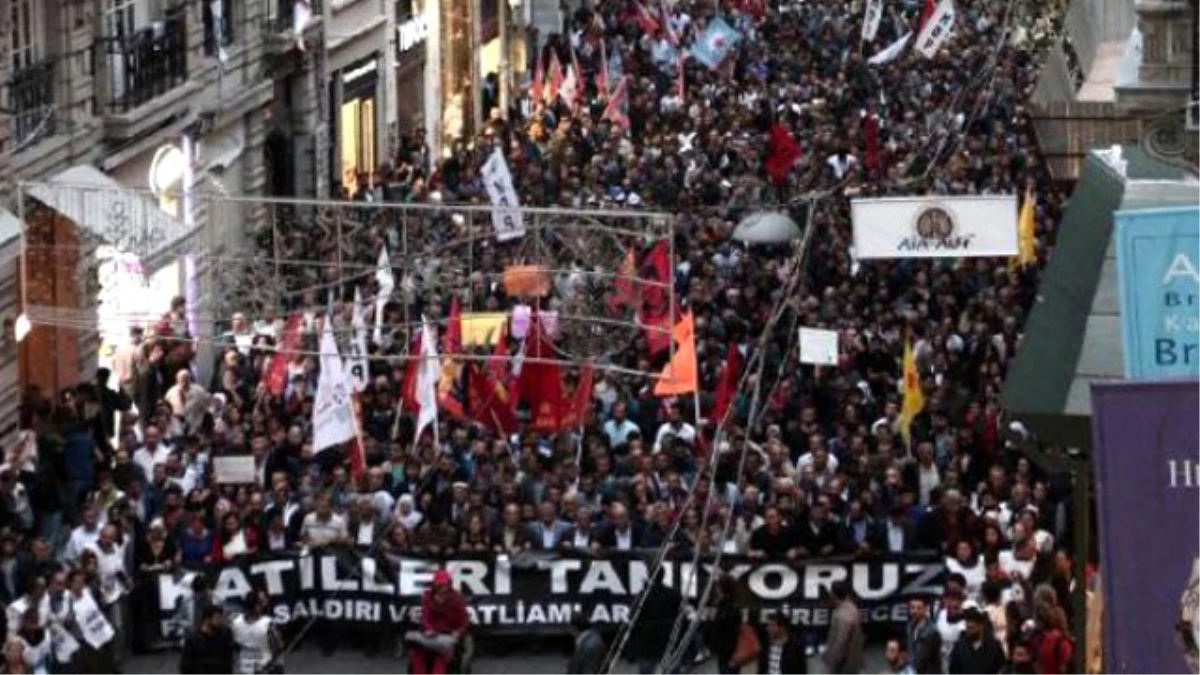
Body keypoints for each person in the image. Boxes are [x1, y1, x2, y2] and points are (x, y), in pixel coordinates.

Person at [406, 570, 467, 675]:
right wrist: (428, 629)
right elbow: (425, 617)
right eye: (439, 585)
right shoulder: (428, 596)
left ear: (449, 584)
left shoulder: (457, 598)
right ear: (434, 585)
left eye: (444, 585)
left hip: (447, 634)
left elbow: (463, 621)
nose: (442, 588)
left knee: (441, 658)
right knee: (418, 654)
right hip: (430, 633)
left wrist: (458, 632)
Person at [230, 590, 278, 675]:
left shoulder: (235, 622)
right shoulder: (268, 624)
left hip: (245, 667)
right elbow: (276, 646)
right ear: (257, 606)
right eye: (260, 603)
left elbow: (234, 645)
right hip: (264, 667)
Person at [948, 607, 1006, 675]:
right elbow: (954, 670)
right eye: (967, 627)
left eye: (972, 627)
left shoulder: (994, 647)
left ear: (981, 626)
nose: (969, 631)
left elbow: (1000, 668)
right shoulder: (959, 647)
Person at [822, 581, 864, 675]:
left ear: (833, 595)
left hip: (843, 664)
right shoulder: (852, 607)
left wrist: (832, 660)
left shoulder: (843, 616)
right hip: (851, 660)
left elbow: (841, 642)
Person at [181, 605, 234, 675]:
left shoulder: (224, 637)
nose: (221, 621)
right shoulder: (193, 639)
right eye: (218, 618)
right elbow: (186, 665)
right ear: (207, 619)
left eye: (221, 617)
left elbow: (228, 663)